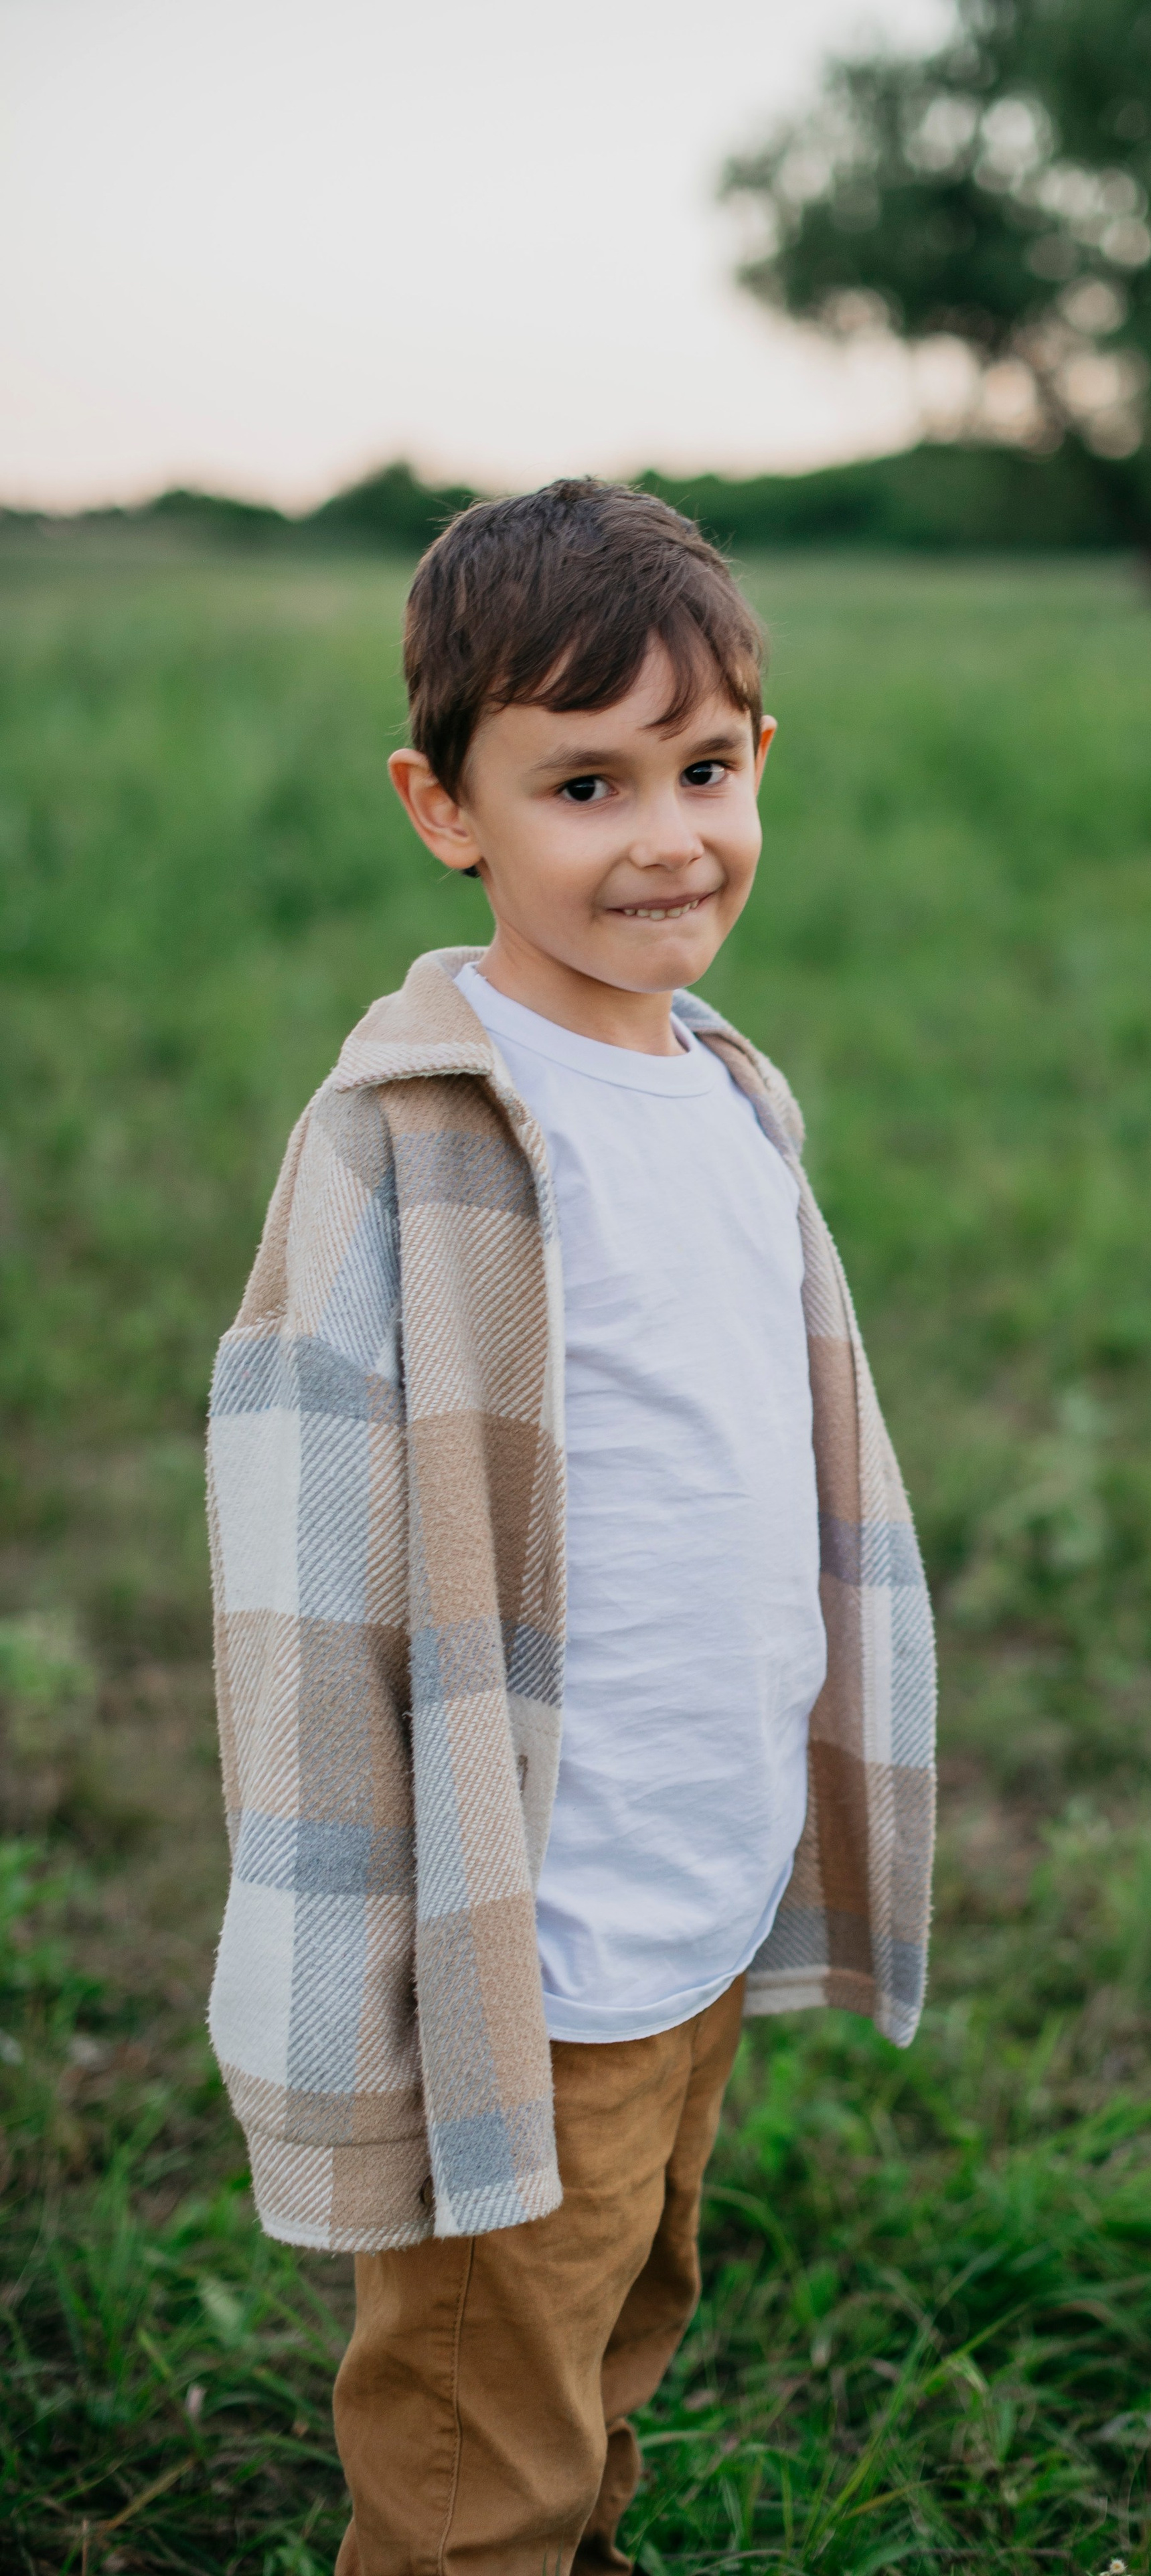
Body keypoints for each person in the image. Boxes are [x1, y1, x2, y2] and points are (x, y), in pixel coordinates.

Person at [203, 480, 937, 2573]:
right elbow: (298, 1559)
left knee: (618, 2323)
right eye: (585, 784)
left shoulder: (725, 1086)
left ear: (762, 761)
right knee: (475, 2428)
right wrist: (378, 1953)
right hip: (530, 1936)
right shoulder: (414, 1137)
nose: (664, 838)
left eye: (703, 771)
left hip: (690, 1878)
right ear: (448, 808)